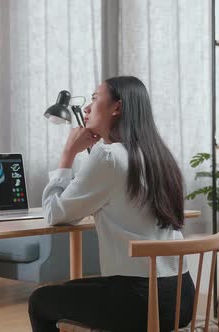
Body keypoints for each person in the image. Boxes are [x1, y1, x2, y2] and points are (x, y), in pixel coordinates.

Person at [28, 76, 195, 332]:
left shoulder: (108, 155)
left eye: (94, 99)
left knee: (40, 302)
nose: (86, 108)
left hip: (140, 302)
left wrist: (67, 155)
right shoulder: (158, 154)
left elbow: (55, 213)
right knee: (67, 290)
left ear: (116, 108)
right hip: (180, 297)